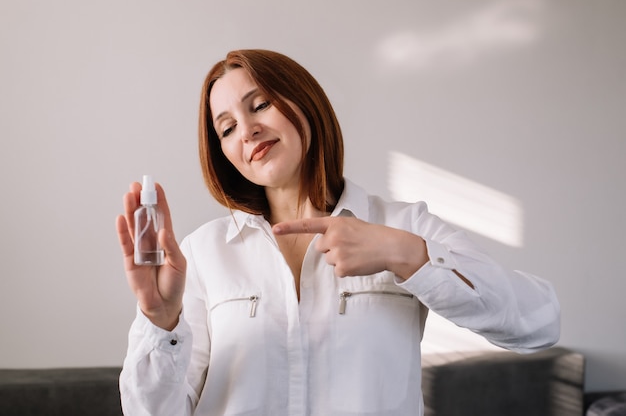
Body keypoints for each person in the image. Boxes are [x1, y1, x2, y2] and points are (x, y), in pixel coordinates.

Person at [116, 49, 560, 416]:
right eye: (227, 128)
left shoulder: (402, 225)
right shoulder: (203, 254)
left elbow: (539, 321)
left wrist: (405, 254)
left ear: (303, 103)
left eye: (261, 104)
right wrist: (161, 322)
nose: (247, 130)